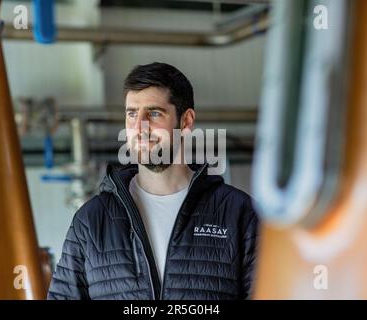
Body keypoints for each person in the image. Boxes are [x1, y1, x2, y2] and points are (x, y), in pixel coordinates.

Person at [47, 62, 258, 300]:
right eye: (132, 114)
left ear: (186, 121)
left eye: (154, 113)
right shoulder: (92, 221)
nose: (139, 128)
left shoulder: (237, 213)